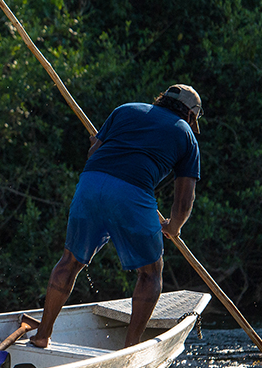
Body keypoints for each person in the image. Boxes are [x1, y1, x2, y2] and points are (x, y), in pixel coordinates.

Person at [31, 84, 202, 350]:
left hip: (90, 185)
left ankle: (43, 334)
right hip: (131, 195)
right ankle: (130, 346)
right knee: (150, 272)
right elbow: (184, 199)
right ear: (191, 115)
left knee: (70, 260)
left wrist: (96, 143)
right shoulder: (186, 134)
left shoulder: (125, 110)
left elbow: (93, 154)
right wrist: (174, 227)